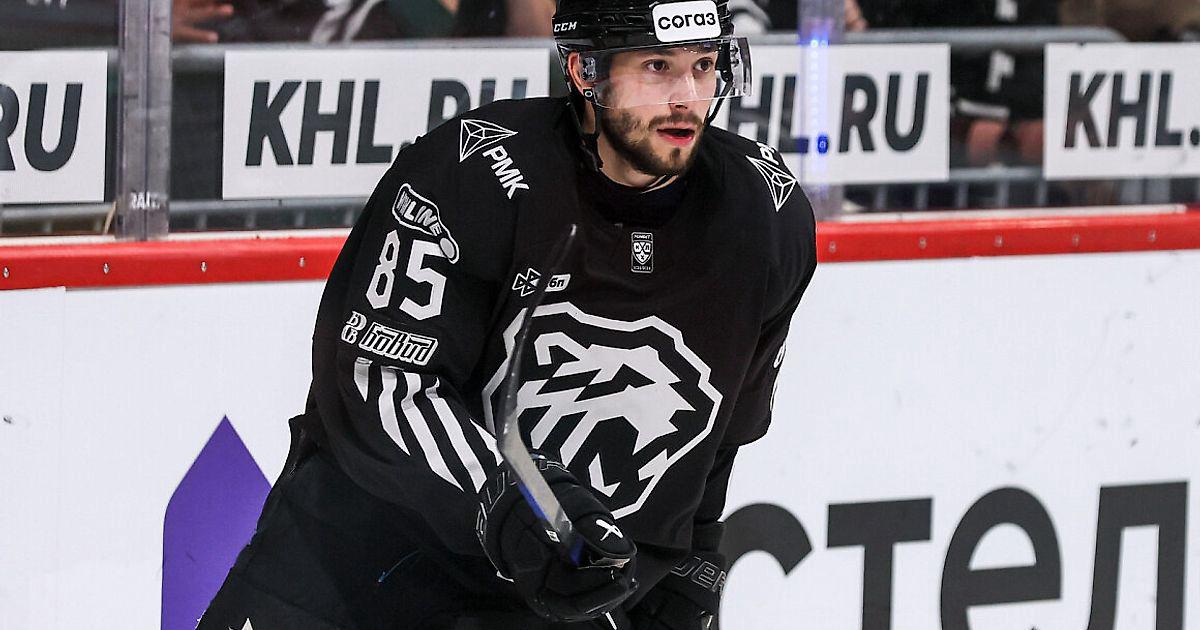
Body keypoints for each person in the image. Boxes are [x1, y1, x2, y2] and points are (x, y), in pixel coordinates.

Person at [199, 0, 817, 627]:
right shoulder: (474, 175)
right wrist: (514, 503)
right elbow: (381, 380)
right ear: (585, 72)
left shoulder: (764, 217)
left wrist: (692, 557)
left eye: (704, 65)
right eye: (657, 66)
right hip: (370, 569)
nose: (687, 97)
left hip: (560, 590)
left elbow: (722, 429)